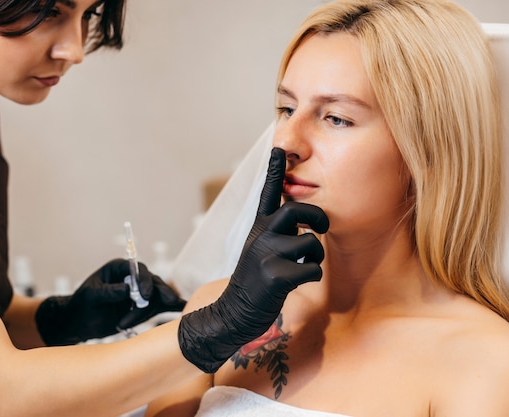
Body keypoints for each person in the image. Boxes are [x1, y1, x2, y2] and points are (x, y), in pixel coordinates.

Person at [0, 0, 331, 416]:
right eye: (50, 11)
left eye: (87, 14)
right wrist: (220, 325)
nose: (75, 50)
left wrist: (62, 318)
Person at [145, 0, 509, 416]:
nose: (285, 143)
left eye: (335, 118)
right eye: (286, 108)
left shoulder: (485, 363)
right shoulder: (216, 314)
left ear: (428, 148)